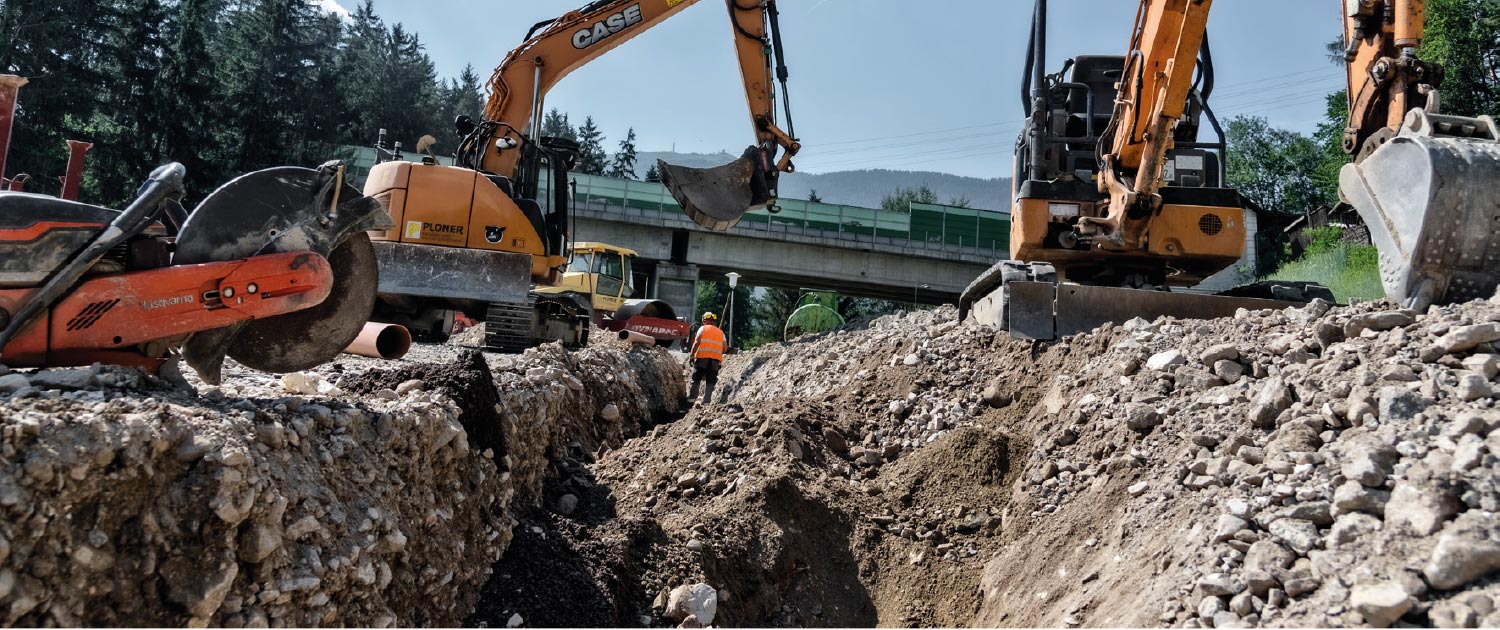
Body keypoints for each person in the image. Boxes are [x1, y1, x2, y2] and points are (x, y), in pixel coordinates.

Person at [687, 312, 726, 405]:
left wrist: (692, 355)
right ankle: (706, 402)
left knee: (697, 378)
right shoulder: (721, 332)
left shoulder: (702, 328)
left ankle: (692, 398)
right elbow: (724, 348)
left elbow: (696, 342)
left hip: (702, 357)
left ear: (704, 321)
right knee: (711, 381)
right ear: (714, 322)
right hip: (715, 361)